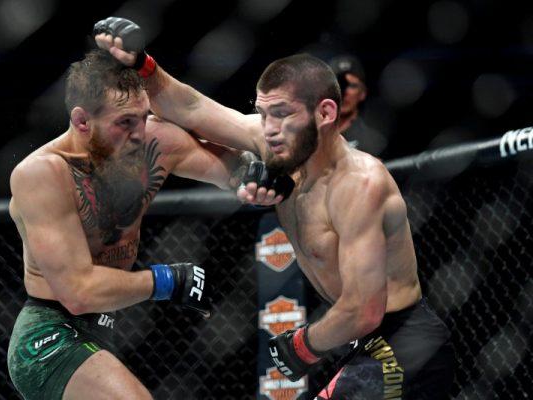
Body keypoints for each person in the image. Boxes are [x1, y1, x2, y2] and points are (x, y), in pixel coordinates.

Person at [95, 17, 455, 399]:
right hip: (360, 345)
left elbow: (364, 309)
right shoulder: (274, 146)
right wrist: (142, 66)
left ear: (326, 113)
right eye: (263, 113)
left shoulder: (360, 185)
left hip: (404, 341)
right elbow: (190, 106)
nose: (267, 128)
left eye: (282, 113)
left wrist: (302, 345)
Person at [6, 48, 276, 400]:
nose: (138, 133)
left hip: (105, 326)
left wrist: (252, 175)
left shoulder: (153, 141)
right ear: (82, 120)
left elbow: (232, 169)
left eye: (143, 117)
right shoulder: (43, 174)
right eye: (124, 122)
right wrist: (167, 280)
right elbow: (78, 292)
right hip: (51, 334)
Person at [329, 54, 387, 156]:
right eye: (339, 85)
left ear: (362, 93)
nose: (345, 92)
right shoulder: (310, 137)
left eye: (352, 86)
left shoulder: (373, 142)